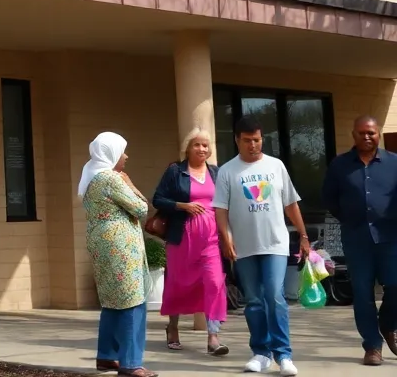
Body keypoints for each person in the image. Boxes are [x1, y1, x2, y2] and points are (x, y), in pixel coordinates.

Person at [213, 116, 311, 376]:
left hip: (275, 244)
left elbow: (291, 204)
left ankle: (284, 355)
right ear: (237, 140)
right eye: (247, 141)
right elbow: (220, 209)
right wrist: (226, 238)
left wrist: (303, 235)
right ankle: (261, 353)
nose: (253, 145)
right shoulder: (227, 171)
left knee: (274, 295)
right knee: (254, 300)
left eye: (257, 140)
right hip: (244, 247)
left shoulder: (276, 166)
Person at [79, 132, 157, 377]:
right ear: (111, 153)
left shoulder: (90, 176)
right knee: (132, 301)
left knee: (112, 301)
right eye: (122, 150)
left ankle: (106, 356)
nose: (126, 155)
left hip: (101, 245)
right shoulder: (110, 178)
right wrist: (131, 184)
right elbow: (142, 208)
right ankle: (131, 363)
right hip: (120, 247)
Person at [322, 115, 397, 367]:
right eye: (362, 132)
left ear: (378, 134)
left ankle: (388, 325)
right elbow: (330, 199)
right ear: (353, 134)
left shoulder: (394, 163)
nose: (367, 137)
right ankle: (373, 346)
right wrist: (349, 218)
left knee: (395, 286)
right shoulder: (339, 165)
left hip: (390, 238)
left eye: (372, 133)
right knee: (363, 293)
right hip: (356, 240)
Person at [151, 128, 228, 356]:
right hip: (181, 239)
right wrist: (182, 206)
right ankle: (173, 327)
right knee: (177, 284)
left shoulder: (215, 173)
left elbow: (224, 203)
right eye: (197, 145)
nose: (202, 149)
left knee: (214, 283)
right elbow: (158, 199)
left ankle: (213, 337)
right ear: (188, 148)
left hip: (211, 241)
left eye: (205, 145)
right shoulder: (176, 171)